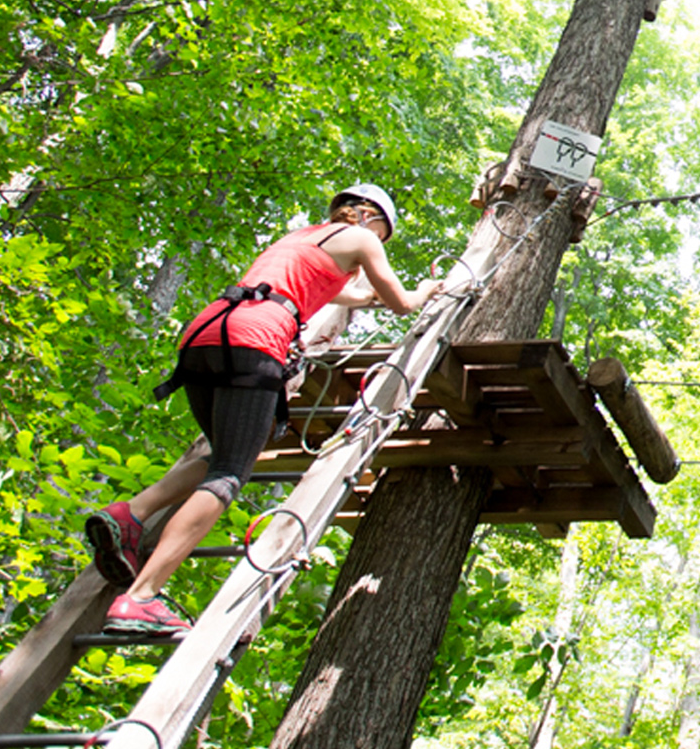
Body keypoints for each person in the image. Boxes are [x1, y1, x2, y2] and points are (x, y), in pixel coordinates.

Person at [84, 183, 439, 635]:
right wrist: (425, 290)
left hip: (207, 334)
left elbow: (333, 295)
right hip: (255, 342)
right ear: (373, 219)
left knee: (222, 453)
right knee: (230, 474)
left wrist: (365, 297)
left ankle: (128, 514)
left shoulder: (300, 239)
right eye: (384, 236)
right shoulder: (365, 239)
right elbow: (402, 302)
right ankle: (141, 598)